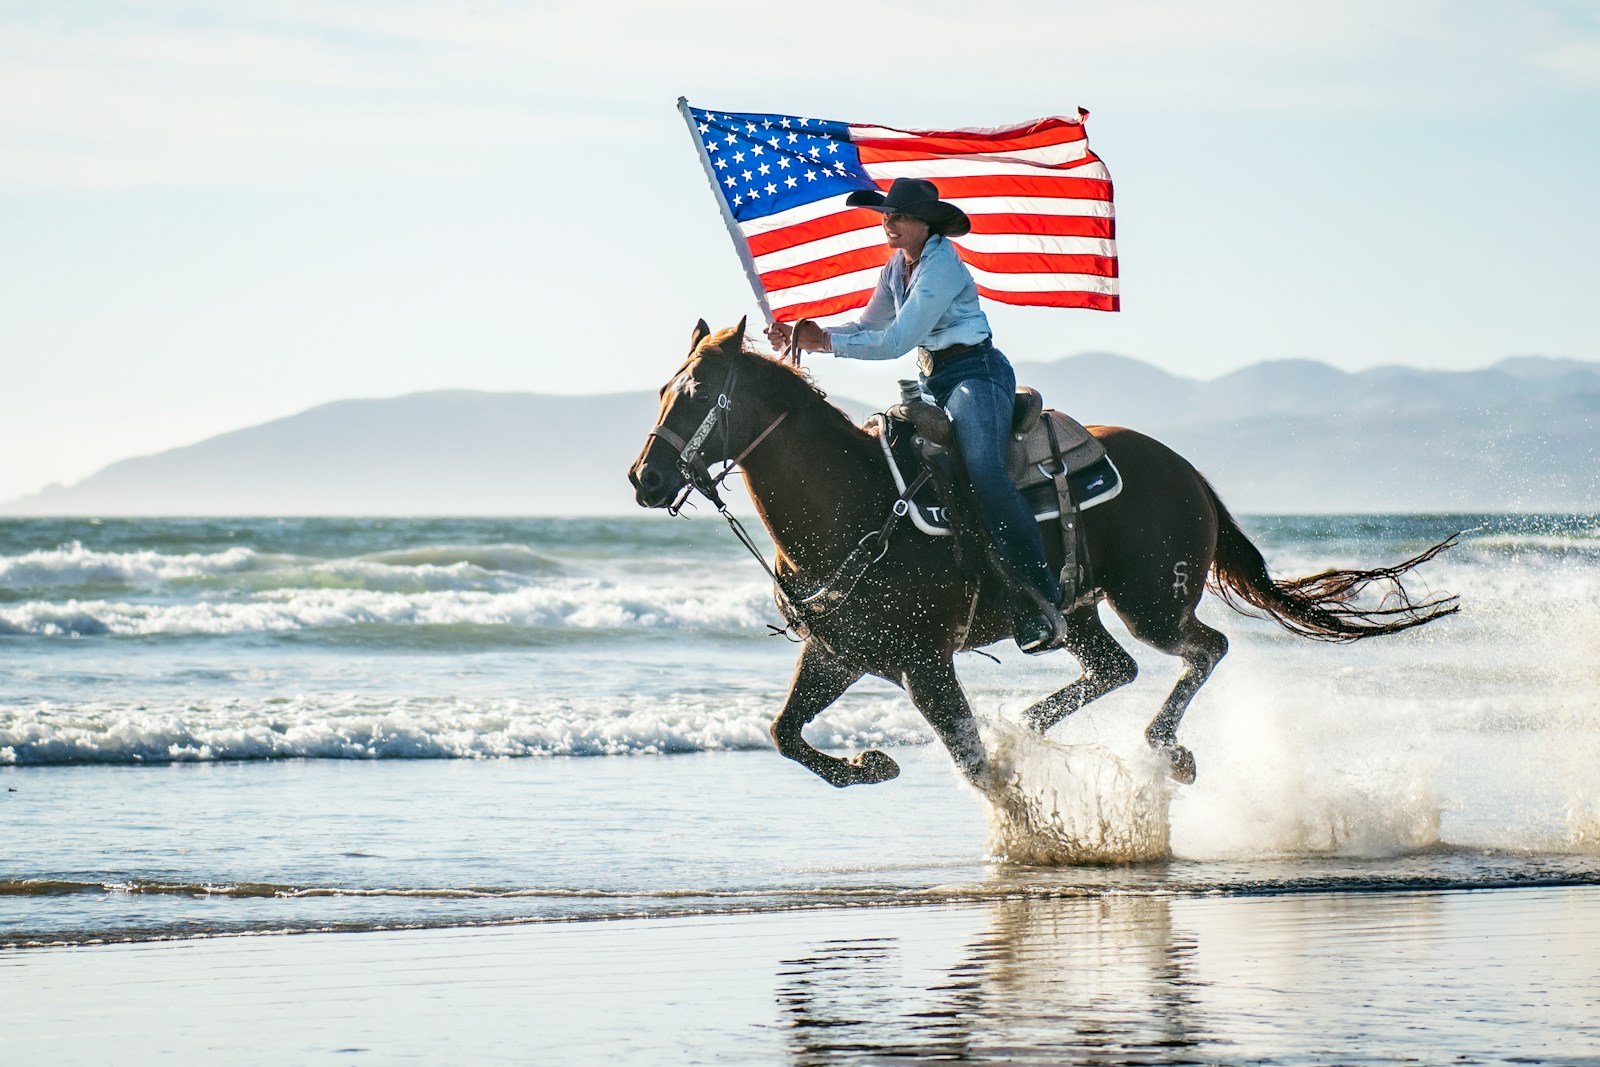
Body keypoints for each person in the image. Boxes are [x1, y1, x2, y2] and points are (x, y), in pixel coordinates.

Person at [765, 177, 1067, 654]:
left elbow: (895, 341)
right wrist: (809, 336)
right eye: (886, 215)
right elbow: (869, 325)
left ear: (926, 224)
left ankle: (1042, 595)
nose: (889, 223)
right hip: (933, 381)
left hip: (977, 374)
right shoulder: (895, 267)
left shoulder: (942, 266)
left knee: (986, 474)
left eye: (900, 216)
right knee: (892, 463)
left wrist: (824, 343)